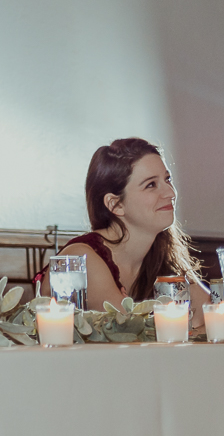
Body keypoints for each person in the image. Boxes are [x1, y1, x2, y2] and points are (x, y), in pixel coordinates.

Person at [59, 137, 209, 321]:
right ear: (115, 205)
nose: (171, 193)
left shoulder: (163, 252)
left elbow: (212, 317)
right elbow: (129, 331)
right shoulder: (83, 259)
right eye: (151, 185)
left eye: (167, 179)